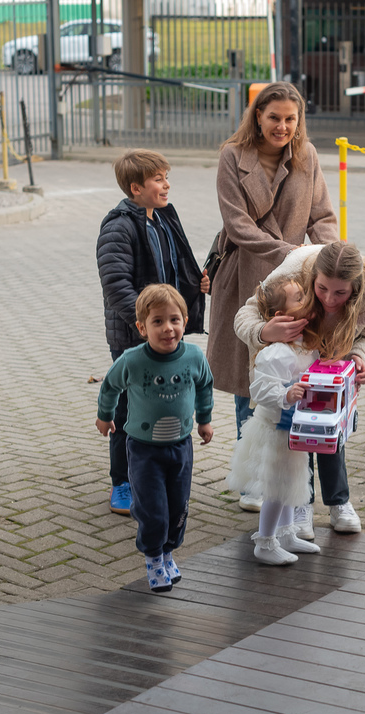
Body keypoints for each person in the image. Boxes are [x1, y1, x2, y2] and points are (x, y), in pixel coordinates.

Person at [208, 81, 339, 513]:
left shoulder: (309, 156)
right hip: (245, 276)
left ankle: (296, 476)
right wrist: (293, 254)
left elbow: (322, 216)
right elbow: (238, 223)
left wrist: (326, 258)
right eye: (273, 118)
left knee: (298, 373)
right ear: (257, 117)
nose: (282, 127)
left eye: (290, 119)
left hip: (298, 284)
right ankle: (254, 479)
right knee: (251, 379)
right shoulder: (232, 155)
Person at [234, 240, 365, 535]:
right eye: (322, 289)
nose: (330, 299)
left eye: (341, 293)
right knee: (297, 438)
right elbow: (246, 314)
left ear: (355, 287)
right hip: (294, 371)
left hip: (333, 371)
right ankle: (300, 505)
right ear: (311, 278)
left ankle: (339, 501)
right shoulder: (294, 270)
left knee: (332, 433)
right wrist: (264, 331)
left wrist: (359, 358)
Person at [96, 149, 209, 517]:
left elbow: (174, 268)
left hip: (162, 336)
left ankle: (156, 474)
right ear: (135, 187)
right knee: (128, 410)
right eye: (158, 179)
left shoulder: (160, 218)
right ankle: (122, 482)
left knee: (162, 403)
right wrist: (146, 328)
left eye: (166, 176)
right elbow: (116, 286)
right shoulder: (118, 227)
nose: (167, 184)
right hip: (135, 338)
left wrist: (196, 284)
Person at [96, 284, 214, 591]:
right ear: (141, 327)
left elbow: (204, 386)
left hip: (181, 446)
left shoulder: (193, 356)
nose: (168, 328)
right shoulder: (133, 360)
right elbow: (110, 385)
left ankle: (168, 551)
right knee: (154, 509)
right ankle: (152, 558)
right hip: (144, 451)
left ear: (185, 322)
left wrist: (205, 420)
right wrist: (105, 415)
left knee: (178, 507)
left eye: (174, 320)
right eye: (157, 321)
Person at [225, 278, 324, 564]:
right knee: (276, 487)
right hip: (277, 429)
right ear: (282, 316)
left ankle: (287, 532)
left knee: (293, 481)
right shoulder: (276, 352)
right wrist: (286, 394)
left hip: (296, 428)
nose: (307, 298)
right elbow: (258, 389)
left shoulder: (305, 344)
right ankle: (265, 541)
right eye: (299, 297)